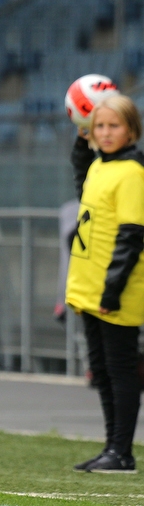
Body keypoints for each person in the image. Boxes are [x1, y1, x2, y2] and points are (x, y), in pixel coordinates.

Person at [65, 94, 144, 473]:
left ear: (132, 130)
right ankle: (113, 446)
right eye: (99, 126)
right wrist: (82, 141)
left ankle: (122, 450)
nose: (106, 133)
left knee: (121, 369)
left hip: (114, 292)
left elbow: (132, 236)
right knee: (101, 369)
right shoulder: (101, 165)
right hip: (88, 286)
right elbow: (83, 178)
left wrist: (111, 290)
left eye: (115, 126)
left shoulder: (132, 173)